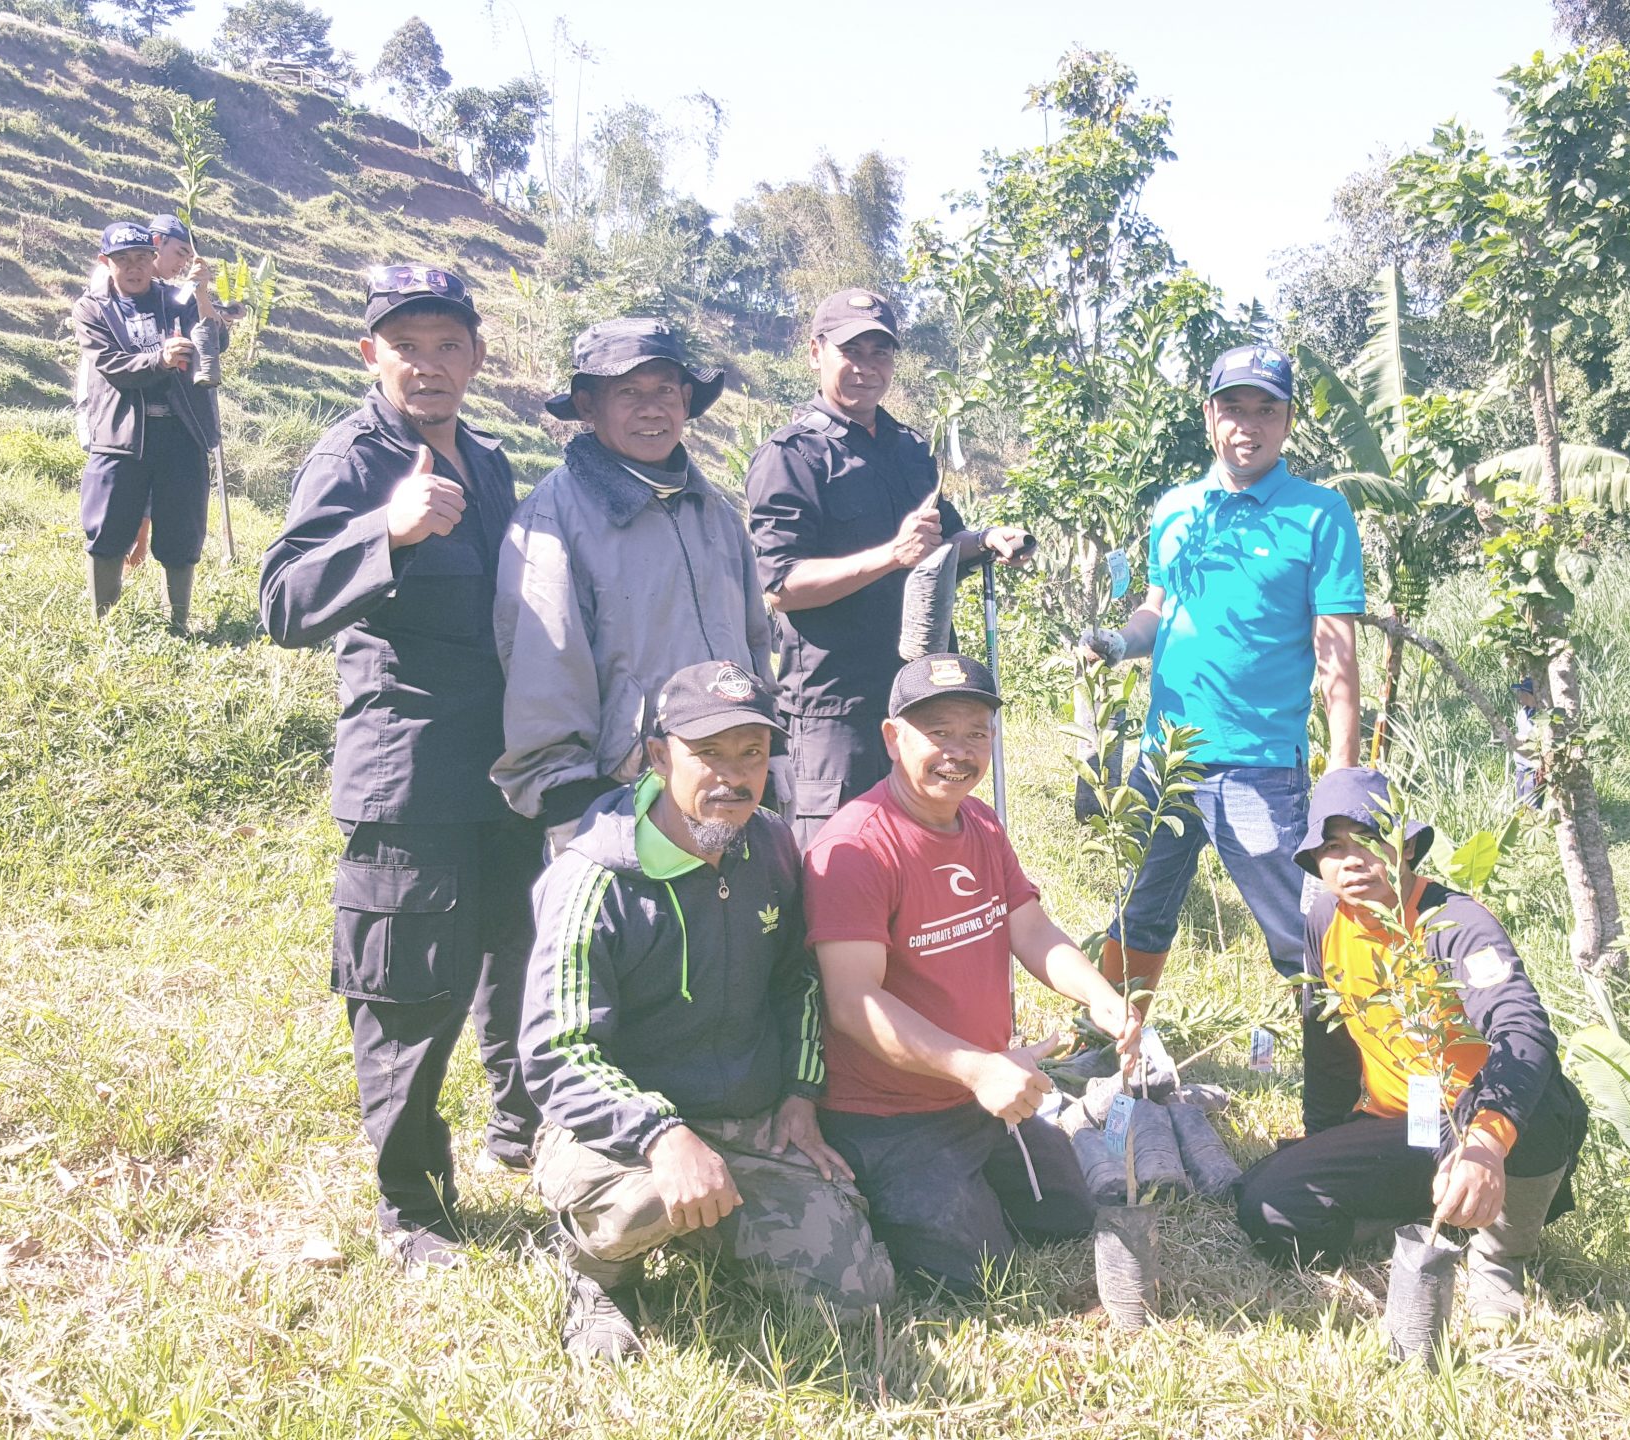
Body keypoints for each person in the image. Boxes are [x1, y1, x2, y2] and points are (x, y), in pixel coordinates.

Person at [258, 265, 540, 1267]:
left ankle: (523, 1135)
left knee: (517, 962)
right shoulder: (356, 457)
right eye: (406, 344)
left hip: (506, 768)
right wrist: (387, 528)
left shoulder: (492, 461)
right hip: (410, 771)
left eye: (447, 344)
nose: (429, 364)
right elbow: (284, 601)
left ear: (475, 355)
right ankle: (412, 1211)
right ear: (369, 353)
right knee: (407, 988)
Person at [520, 661, 895, 1358]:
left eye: (752, 753)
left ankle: (711, 1226)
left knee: (858, 1293)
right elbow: (557, 1051)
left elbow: (798, 981)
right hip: (619, 1132)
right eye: (709, 753)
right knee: (644, 1204)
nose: (735, 775)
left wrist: (800, 1092)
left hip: (744, 1118)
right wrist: (662, 1134)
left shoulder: (774, 845)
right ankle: (598, 1271)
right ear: (661, 758)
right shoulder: (591, 879)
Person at [805, 653, 1140, 1292]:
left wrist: (1102, 996)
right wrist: (977, 1066)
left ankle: (962, 1180)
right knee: (979, 1276)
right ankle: (861, 1203)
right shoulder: (856, 849)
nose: (958, 752)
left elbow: (1030, 927)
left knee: (1067, 1216)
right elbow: (852, 1003)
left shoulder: (980, 822)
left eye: (975, 733)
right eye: (938, 732)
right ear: (892, 736)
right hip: (888, 1113)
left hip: (975, 1099)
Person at [1231, 767, 1586, 1327]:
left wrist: (1487, 1145)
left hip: (1476, 1120)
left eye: (1369, 840)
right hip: (1404, 1124)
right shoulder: (1326, 918)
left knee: (1539, 1094)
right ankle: (1422, 1221)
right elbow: (1327, 1042)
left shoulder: (1455, 923)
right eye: (1332, 846)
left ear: (1406, 846)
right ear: (1315, 862)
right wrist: (1324, 1141)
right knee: (1269, 1209)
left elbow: (1524, 1028)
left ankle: (1499, 1258)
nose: (1352, 861)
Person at [1080, 343, 1366, 1021]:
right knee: (1138, 912)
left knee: (1299, 936)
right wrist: (1119, 643)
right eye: (1233, 408)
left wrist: (1344, 781)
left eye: (1265, 410)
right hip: (1166, 759)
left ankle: (1350, 1085)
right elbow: (1157, 608)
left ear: (1289, 420)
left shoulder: (1320, 515)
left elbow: (1338, 659)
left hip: (1259, 767)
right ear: (1209, 416)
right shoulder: (1176, 509)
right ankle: (1111, 1042)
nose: (1248, 425)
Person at [745, 289, 1032, 847]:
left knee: (917, 856)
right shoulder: (792, 457)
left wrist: (988, 540)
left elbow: (944, 542)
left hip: (920, 701)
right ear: (815, 352)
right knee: (835, 870)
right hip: (837, 711)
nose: (866, 368)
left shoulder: (907, 449)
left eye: (880, 353)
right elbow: (783, 587)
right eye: (851, 351)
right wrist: (891, 556)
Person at [494, 317, 767, 855]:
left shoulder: (715, 514)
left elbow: (753, 644)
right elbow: (542, 667)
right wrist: (568, 801)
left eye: (665, 389)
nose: (651, 408)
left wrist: (765, 757)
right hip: (619, 796)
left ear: (686, 401)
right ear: (589, 408)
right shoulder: (556, 515)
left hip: (730, 783)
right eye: (628, 393)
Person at [70, 219, 209, 628]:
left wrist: (201, 293)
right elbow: (113, 366)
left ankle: (179, 621)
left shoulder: (174, 299)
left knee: (182, 532)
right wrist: (160, 360)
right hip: (120, 436)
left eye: (141, 259)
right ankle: (103, 621)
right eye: (122, 260)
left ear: (154, 259)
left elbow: (213, 342)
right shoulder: (93, 309)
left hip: (181, 433)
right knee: (108, 528)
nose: (133, 268)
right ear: (105, 262)